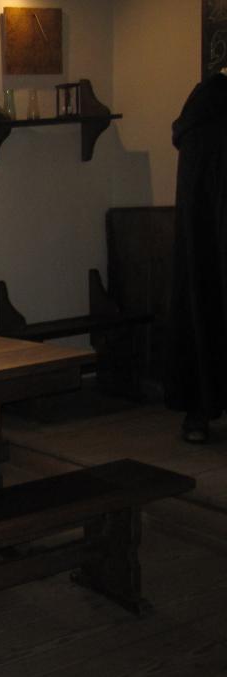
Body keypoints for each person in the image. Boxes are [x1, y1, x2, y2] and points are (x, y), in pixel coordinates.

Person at [164, 69, 227, 444]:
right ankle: (199, 408)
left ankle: (199, 410)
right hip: (205, 240)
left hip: (205, 235)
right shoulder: (205, 111)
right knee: (203, 309)